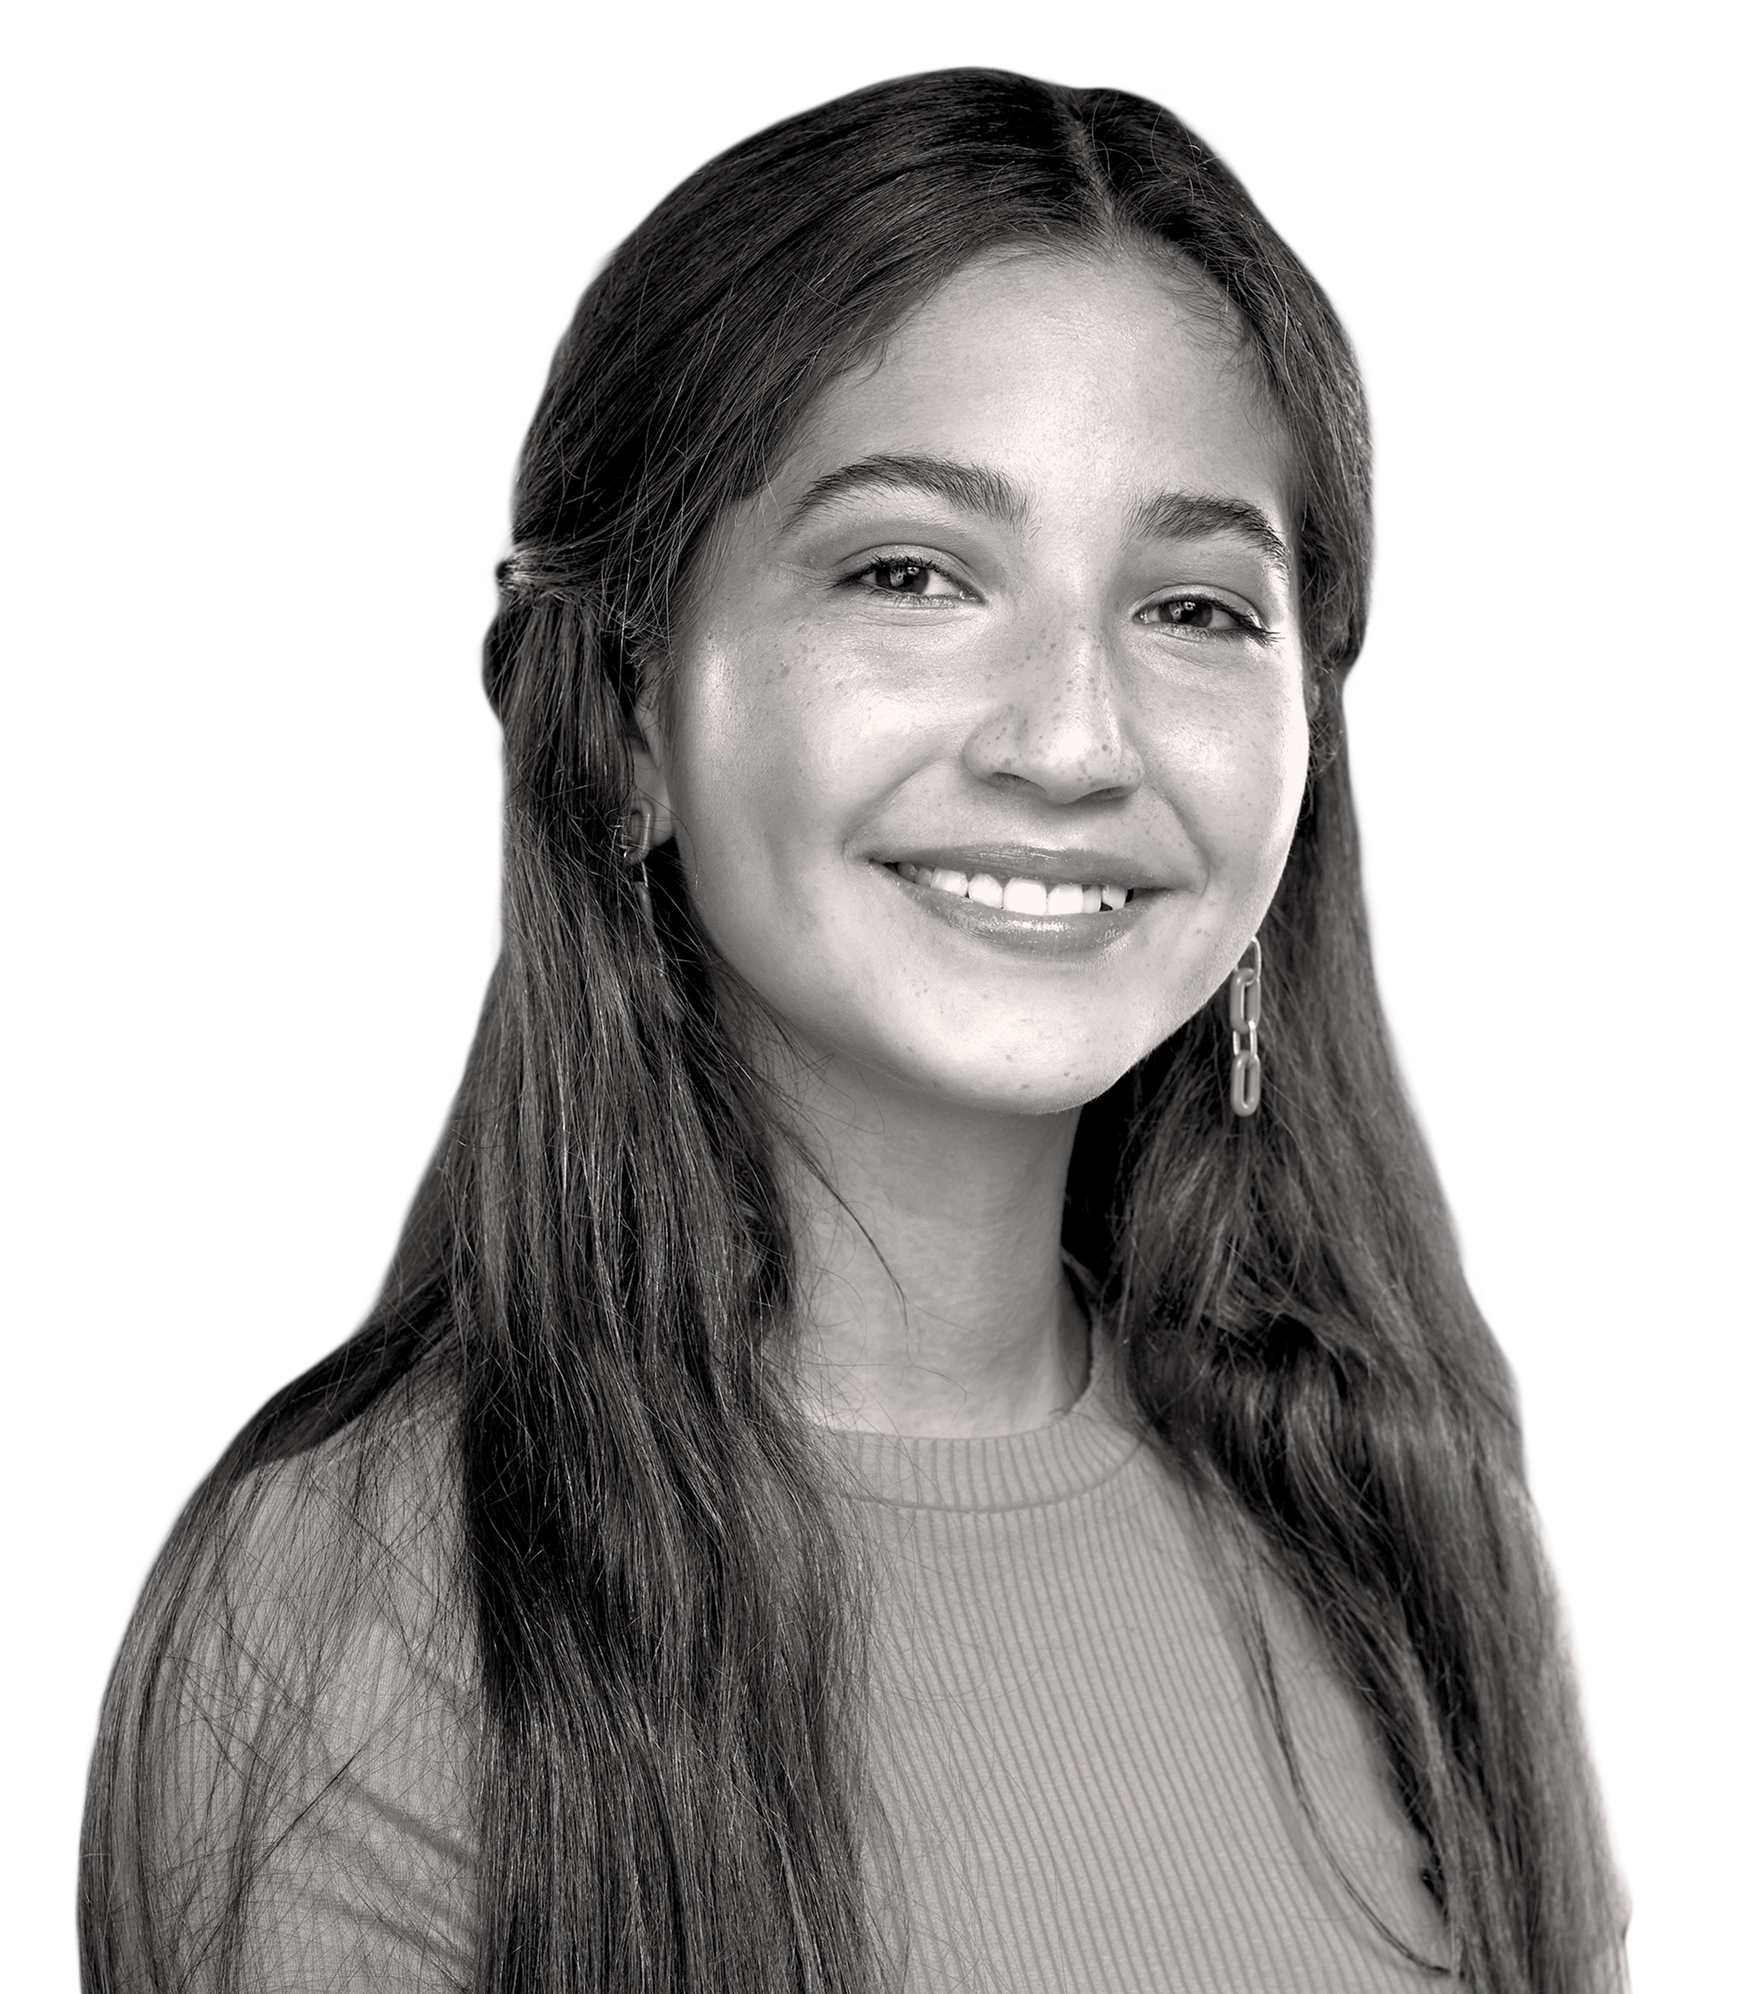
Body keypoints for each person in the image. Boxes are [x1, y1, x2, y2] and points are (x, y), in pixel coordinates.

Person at [73, 65, 1631, 1994]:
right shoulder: (357, 1602)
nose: (1072, 739)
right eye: (910, 572)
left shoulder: (1433, 1547)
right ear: (630, 715)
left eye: (1199, 608)